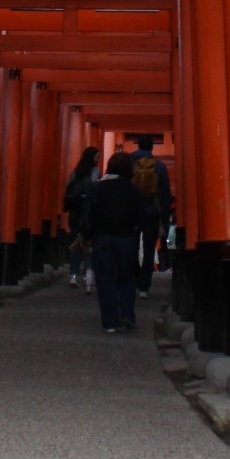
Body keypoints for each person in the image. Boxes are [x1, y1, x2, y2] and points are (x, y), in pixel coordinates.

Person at [85, 151, 147, 334]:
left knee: (105, 278)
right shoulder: (133, 190)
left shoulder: (97, 189)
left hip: (102, 237)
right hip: (126, 238)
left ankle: (110, 322)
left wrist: (87, 235)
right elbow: (141, 218)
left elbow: (89, 215)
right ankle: (127, 314)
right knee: (127, 278)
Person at [130, 136, 172, 292]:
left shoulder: (129, 163)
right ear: (152, 148)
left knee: (132, 247)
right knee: (149, 250)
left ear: (138, 144)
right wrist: (164, 220)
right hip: (152, 212)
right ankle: (144, 287)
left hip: (132, 212)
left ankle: (133, 280)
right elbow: (165, 195)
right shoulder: (159, 166)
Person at [62, 144, 99, 287]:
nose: (99, 160)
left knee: (75, 242)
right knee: (89, 242)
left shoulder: (76, 171)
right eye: (97, 157)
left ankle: (73, 275)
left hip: (75, 210)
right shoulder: (95, 171)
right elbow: (95, 188)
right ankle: (89, 274)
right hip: (88, 211)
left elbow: (69, 188)